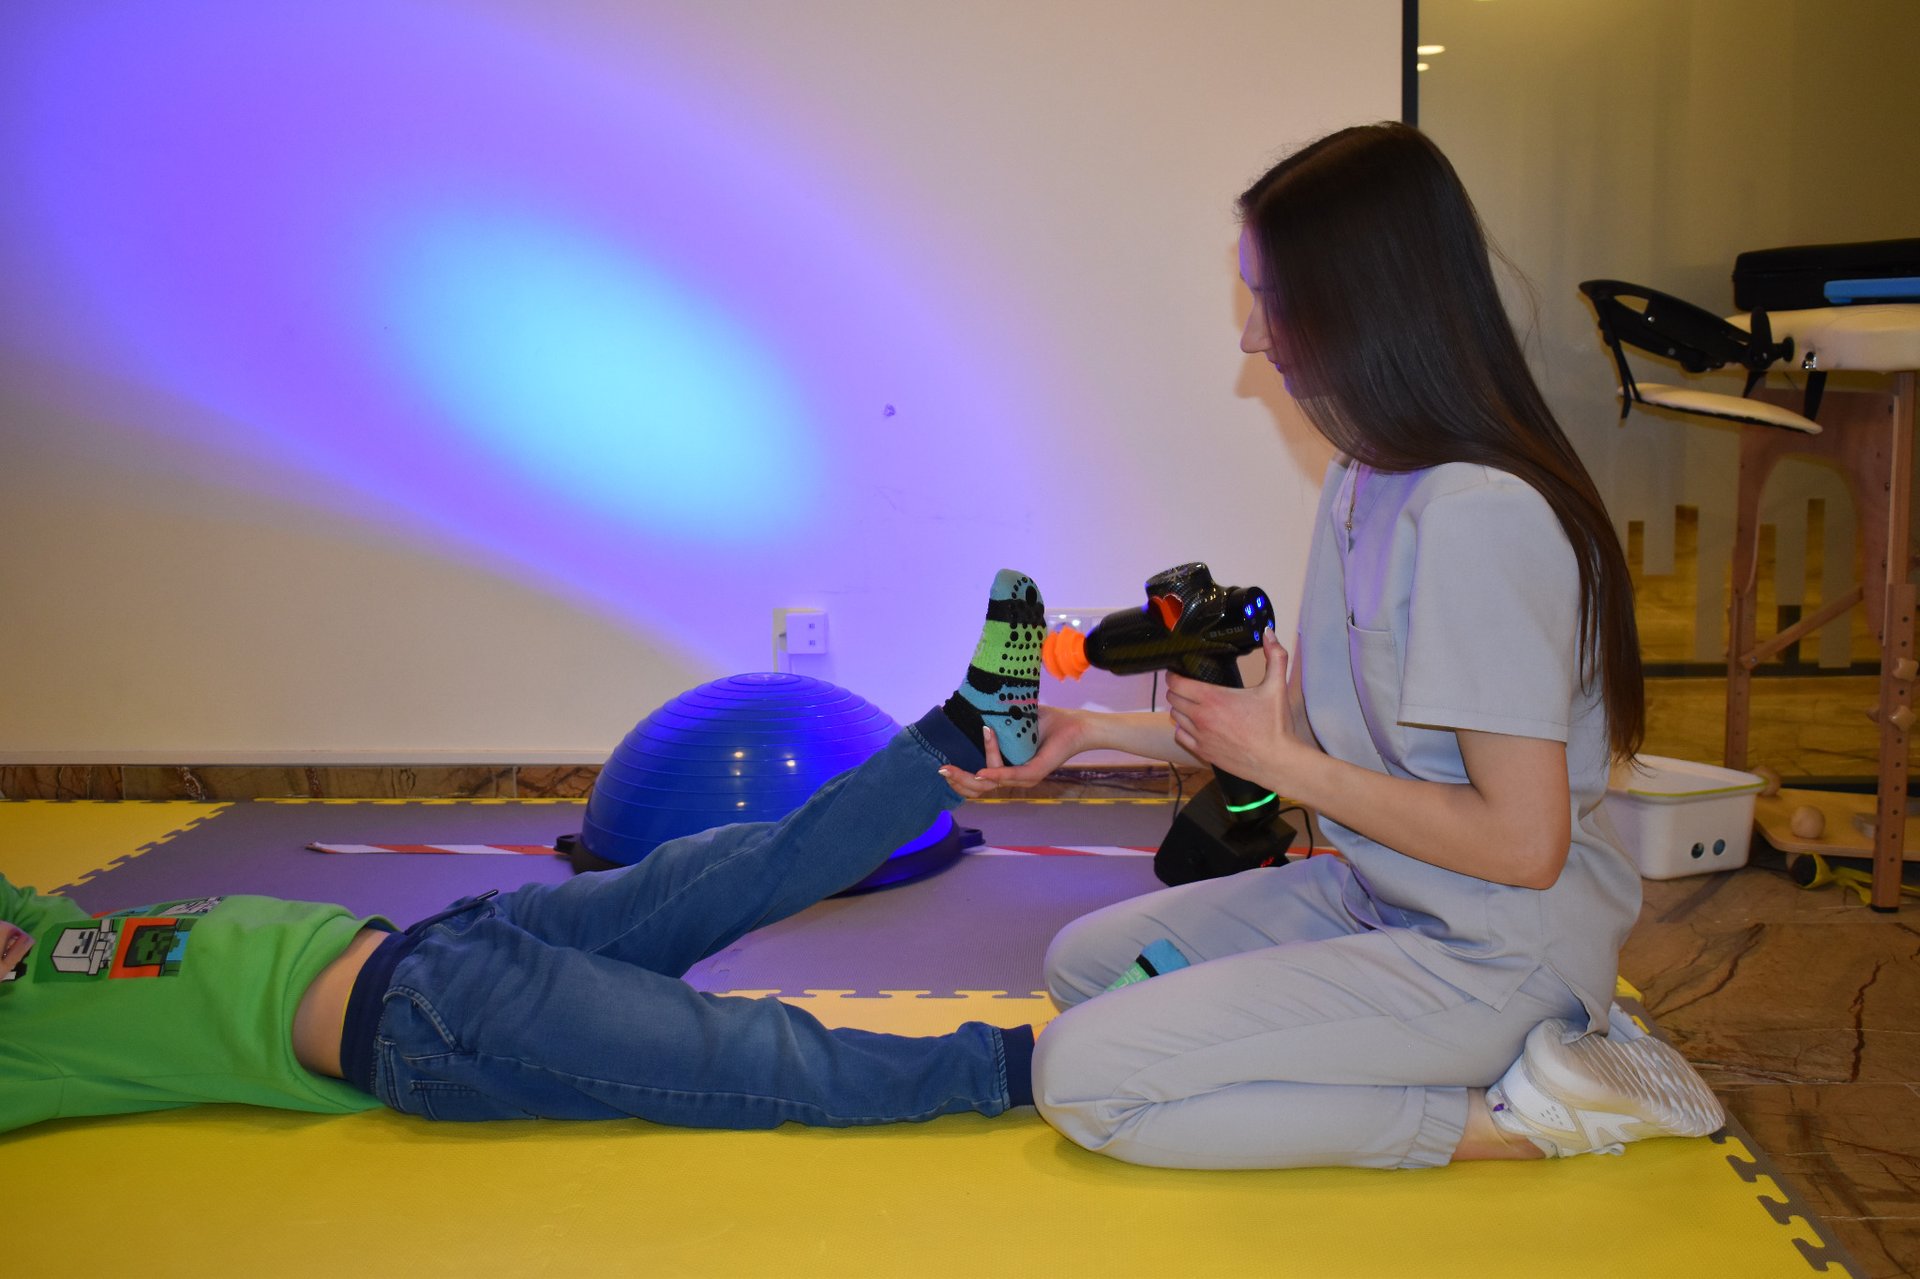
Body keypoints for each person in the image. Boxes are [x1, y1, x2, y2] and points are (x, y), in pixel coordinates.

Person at [963, 123, 1726, 1169]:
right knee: (1088, 967)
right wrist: (1086, 733)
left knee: (1083, 1078)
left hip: (1497, 953)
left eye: (1271, 299)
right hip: (1381, 901)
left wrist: (1283, 766)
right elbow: (1305, 732)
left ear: (1362, 300)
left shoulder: (1480, 515)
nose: (1251, 337)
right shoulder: (1363, 479)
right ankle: (1454, 1060)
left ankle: (1531, 1114)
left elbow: (1524, 844)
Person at [0, 571, 1049, 1135]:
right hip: (430, 1026)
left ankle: (966, 731)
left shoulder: (43, 934)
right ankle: (1033, 1064)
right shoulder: (26, 1046)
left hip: (454, 932)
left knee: (737, 859)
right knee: (748, 1052)